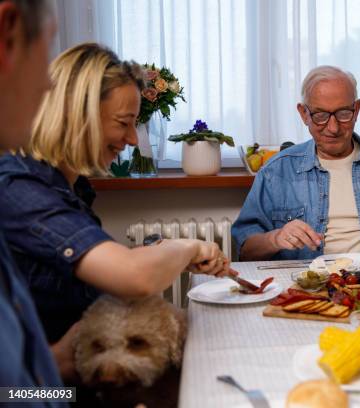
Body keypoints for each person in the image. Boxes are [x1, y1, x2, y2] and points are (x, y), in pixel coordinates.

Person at [0, 43, 237, 344]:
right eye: (123, 123)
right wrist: (188, 247)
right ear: (77, 114)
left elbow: (108, 268)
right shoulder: (18, 189)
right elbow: (133, 276)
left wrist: (168, 254)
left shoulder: (73, 189)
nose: (132, 139)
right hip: (34, 391)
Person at [232, 65, 360, 261]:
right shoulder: (276, 171)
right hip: (305, 287)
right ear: (304, 114)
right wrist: (274, 239)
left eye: (343, 114)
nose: (333, 128)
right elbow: (246, 251)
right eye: (320, 115)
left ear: (356, 110)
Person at [0, 0, 67, 399]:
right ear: (8, 35)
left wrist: (55, 374)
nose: (47, 85)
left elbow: (16, 392)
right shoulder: (17, 184)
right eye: (45, 54)